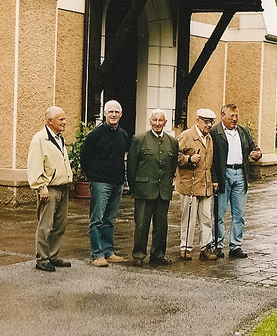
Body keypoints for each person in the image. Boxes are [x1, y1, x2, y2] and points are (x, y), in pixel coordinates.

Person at [80, 100, 130, 267]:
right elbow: (84, 157)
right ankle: (97, 254)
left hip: (117, 183)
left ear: (121, 114)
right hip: (100, 183)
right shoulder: (95, 135)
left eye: (116, 112)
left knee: (110, 219)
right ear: (105, 114)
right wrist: (92, 177)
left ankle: (108, 251)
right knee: (97, 220)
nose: (114, 115)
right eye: (110, 112)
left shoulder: (123, 134)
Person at [127, 109, 178, 267]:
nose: (157, 123)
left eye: (160, 120)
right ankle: (139, 255)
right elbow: (131, 166)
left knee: (161, 225)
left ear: (165, 122)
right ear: (150, 121)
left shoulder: (172, 142)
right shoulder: (139, 139)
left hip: (163, 190)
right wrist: (134, 187)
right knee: (142, 225)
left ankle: (158, 254)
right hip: (144, 189)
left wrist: (168, 184)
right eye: (154, 120)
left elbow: (173, 165)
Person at [210, 103, 262, 259]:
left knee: (239, 213)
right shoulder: (214, 132)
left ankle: (235, 246)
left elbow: (254, 148)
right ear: (222, 115)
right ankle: (217, 245)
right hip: (223, 174)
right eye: (231, 115)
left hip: (240, 173)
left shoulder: (243, 131)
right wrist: (214, 178)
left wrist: (257, 153)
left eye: (236, 116)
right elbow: (210, 159)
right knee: (219, 213)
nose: (234, 119)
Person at [27, 106, 73, 271]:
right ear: (49, 121)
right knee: (45, 225)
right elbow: (34, 165)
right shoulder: (39, 139)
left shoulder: (59, 138)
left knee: (60, 225)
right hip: (49, 189)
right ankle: (42, 259)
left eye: (64, 119)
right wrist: (41, 188)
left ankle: (54, 256)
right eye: (61, 119)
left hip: (62, 187)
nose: (64, 122)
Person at [176, 108, 217, 261]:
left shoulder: (209, 138)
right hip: (189, 185)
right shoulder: (186, 135)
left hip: (205, 185)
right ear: (197, 120)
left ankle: (206, 247)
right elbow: (175, 156)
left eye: (211, 122)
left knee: (206, 218)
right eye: (206, 121)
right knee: (189, 218)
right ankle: (185, 248)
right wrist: (188, 159)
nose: (209, 125)